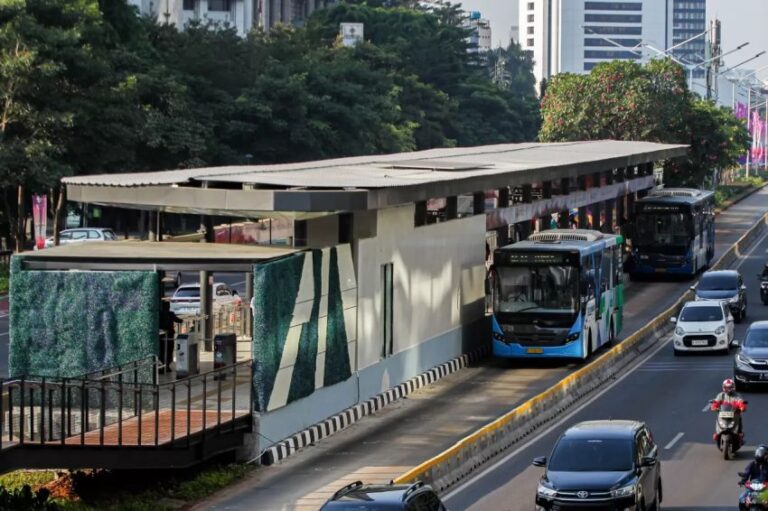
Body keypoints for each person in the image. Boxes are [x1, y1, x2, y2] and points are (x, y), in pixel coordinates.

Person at [159, 300, 182, 374]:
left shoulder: (159, 314)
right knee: (169, 351)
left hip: (161, 336)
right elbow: (179, 320)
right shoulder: (170, 314)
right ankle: (167, 366)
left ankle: (161, 366)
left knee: (162, 351)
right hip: (170, 335)